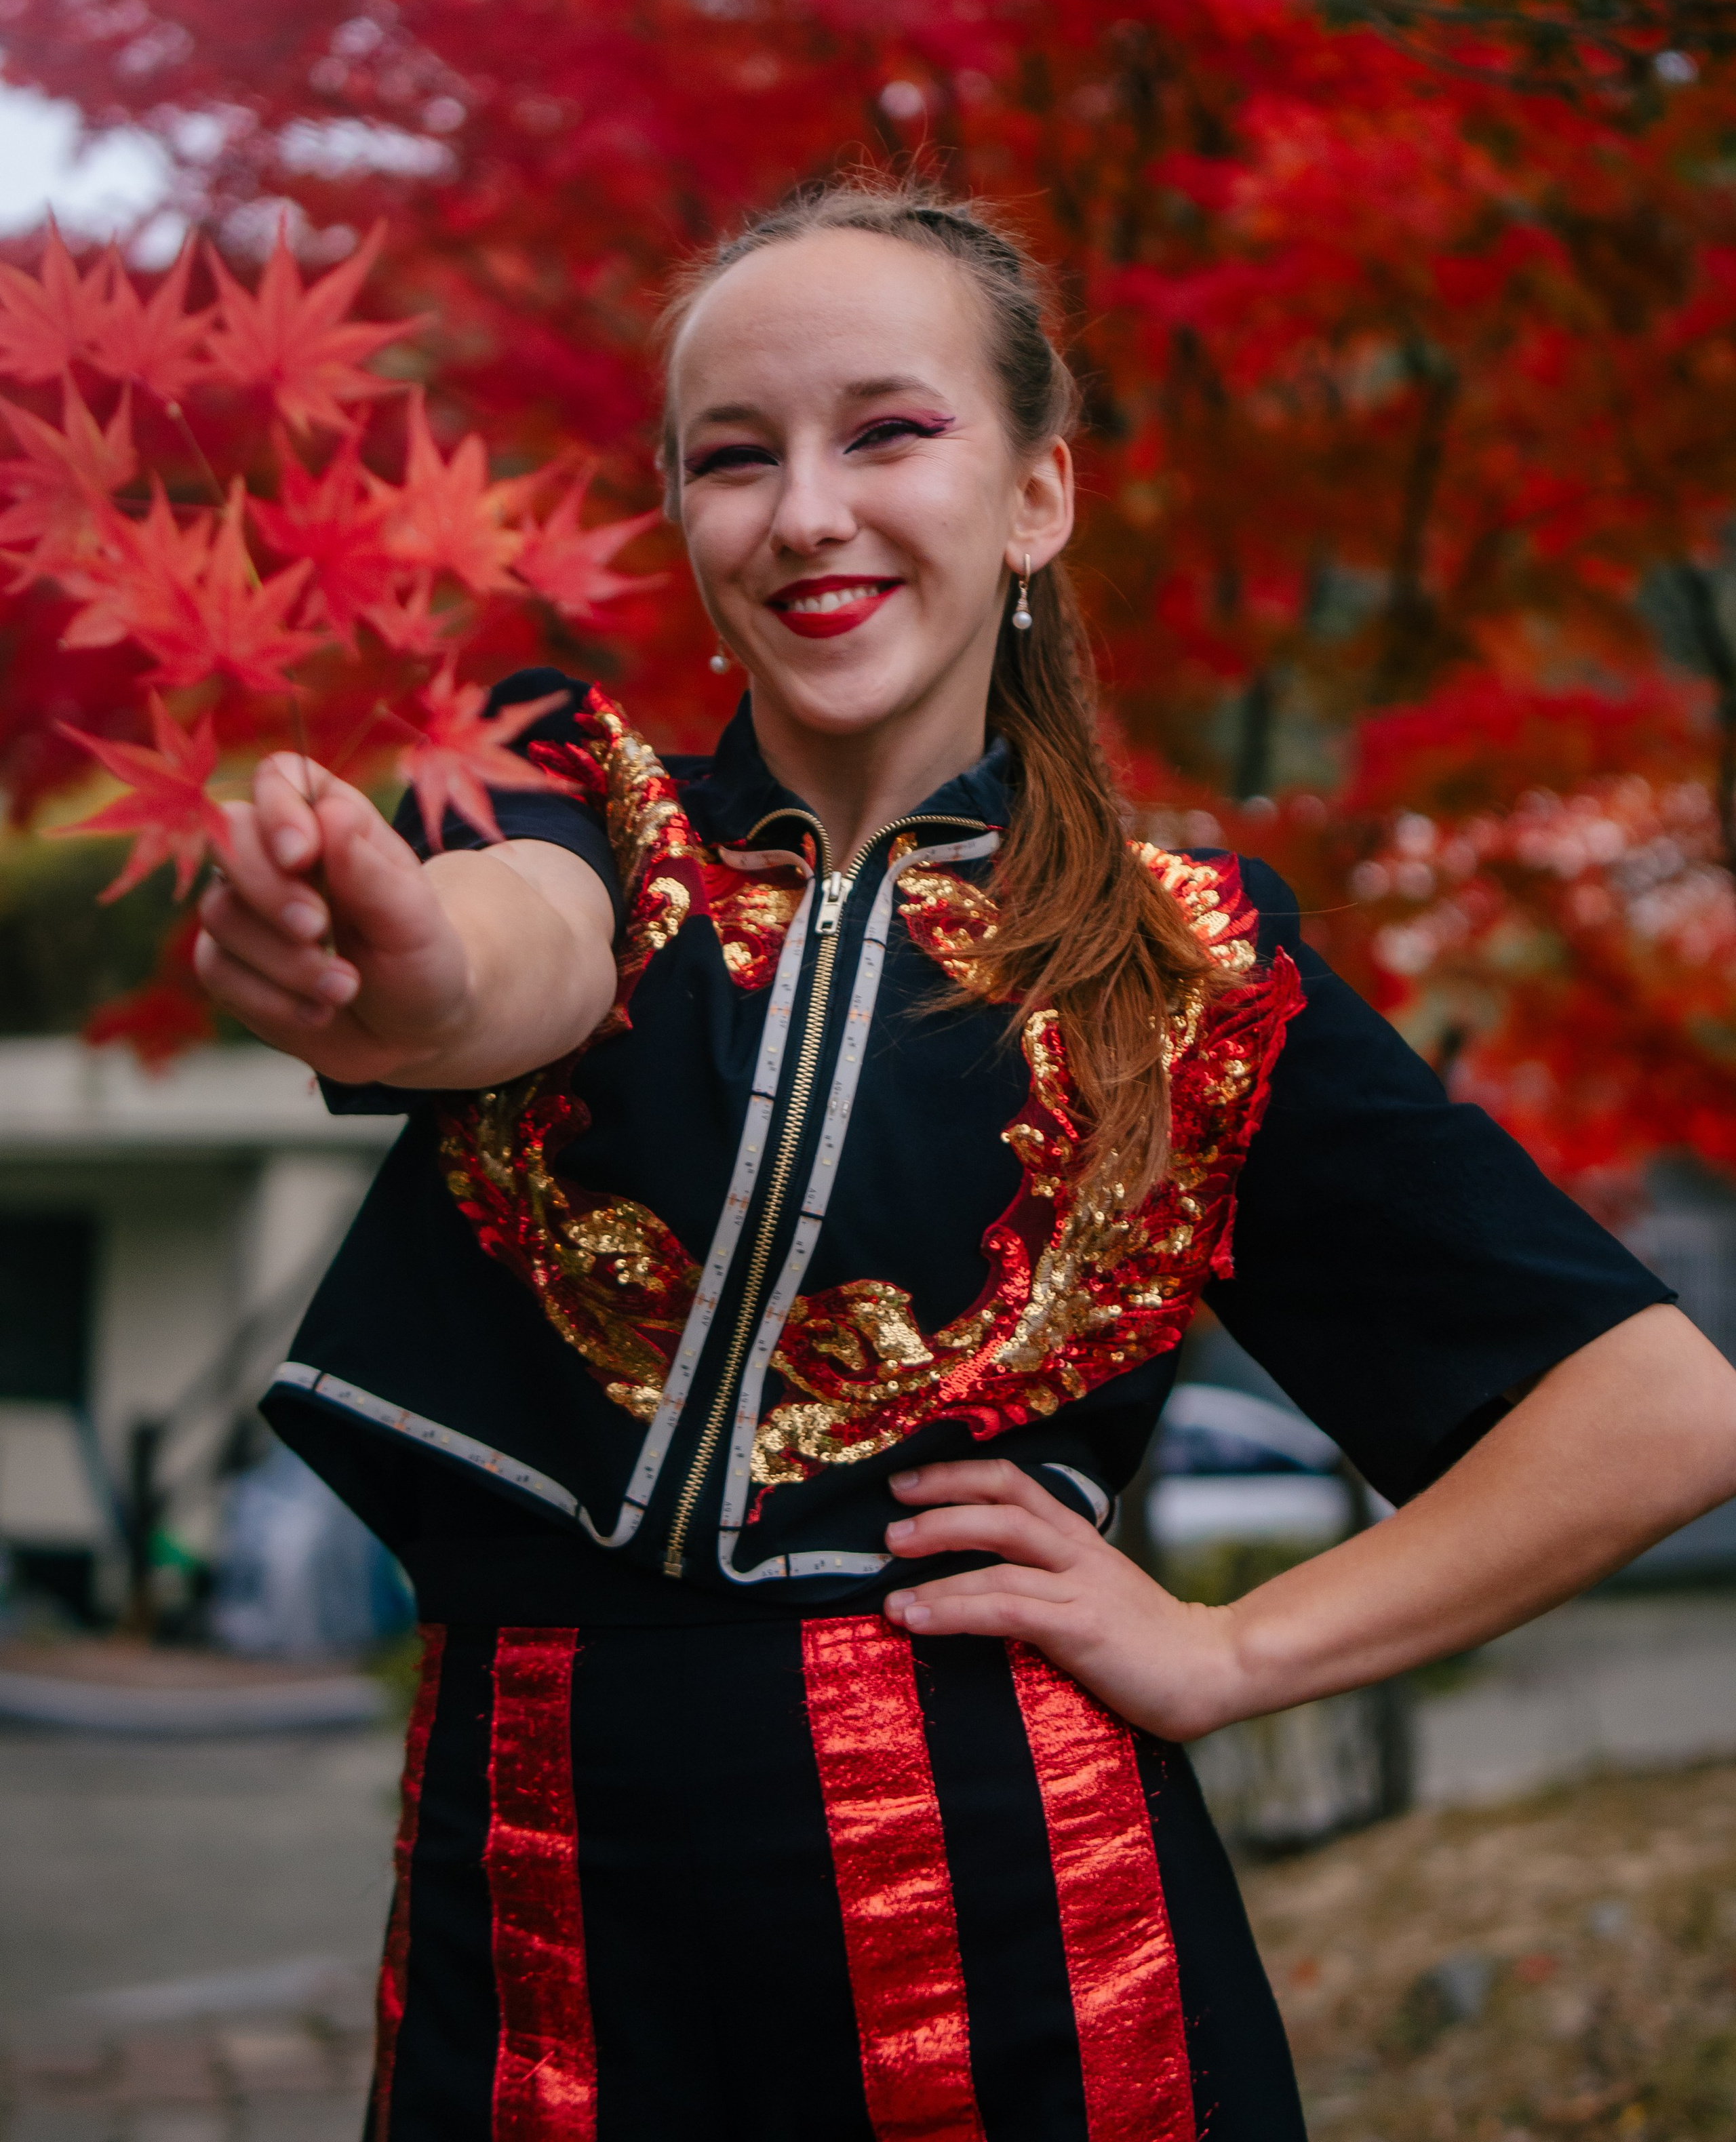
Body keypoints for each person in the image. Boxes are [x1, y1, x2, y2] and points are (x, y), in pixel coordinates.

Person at [194, 182, 1736, 2141]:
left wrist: (1233, 1649)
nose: (808, 512)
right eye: (732, 459)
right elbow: (511, 953)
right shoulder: (564, 790)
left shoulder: (1191, 977)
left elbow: (1662, 1412)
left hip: (1023, 1949)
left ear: (1037, 497)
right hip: (542, 1930)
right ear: (683, 517)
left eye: (890, 432)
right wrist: (400, 977)